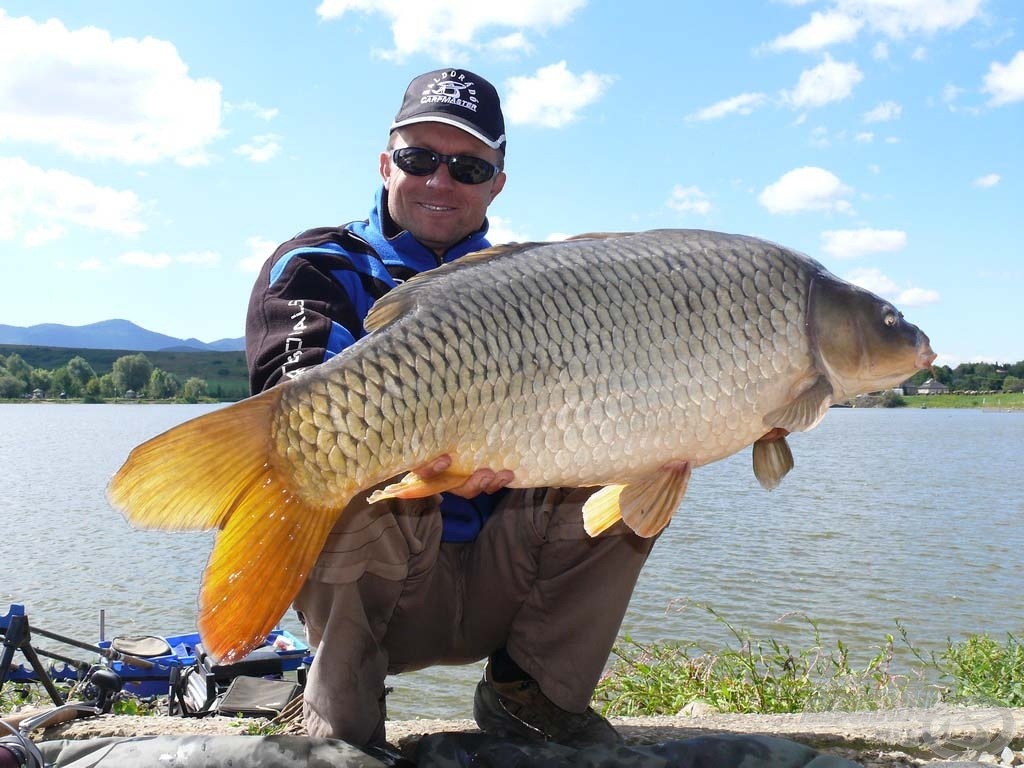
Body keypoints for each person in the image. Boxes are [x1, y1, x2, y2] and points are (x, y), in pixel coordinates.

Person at [245, 67, 658, 752]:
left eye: (467, 166)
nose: (441, 182)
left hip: (504, 579)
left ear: (497, 184)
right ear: (385, 163)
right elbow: (296, 405)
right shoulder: (316, 264)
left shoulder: (532, 284)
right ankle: (339, 718)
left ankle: (533, 697)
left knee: (637, 463)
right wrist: (428, 451)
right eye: (419, 159)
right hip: (388, 587)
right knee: (334, 467)